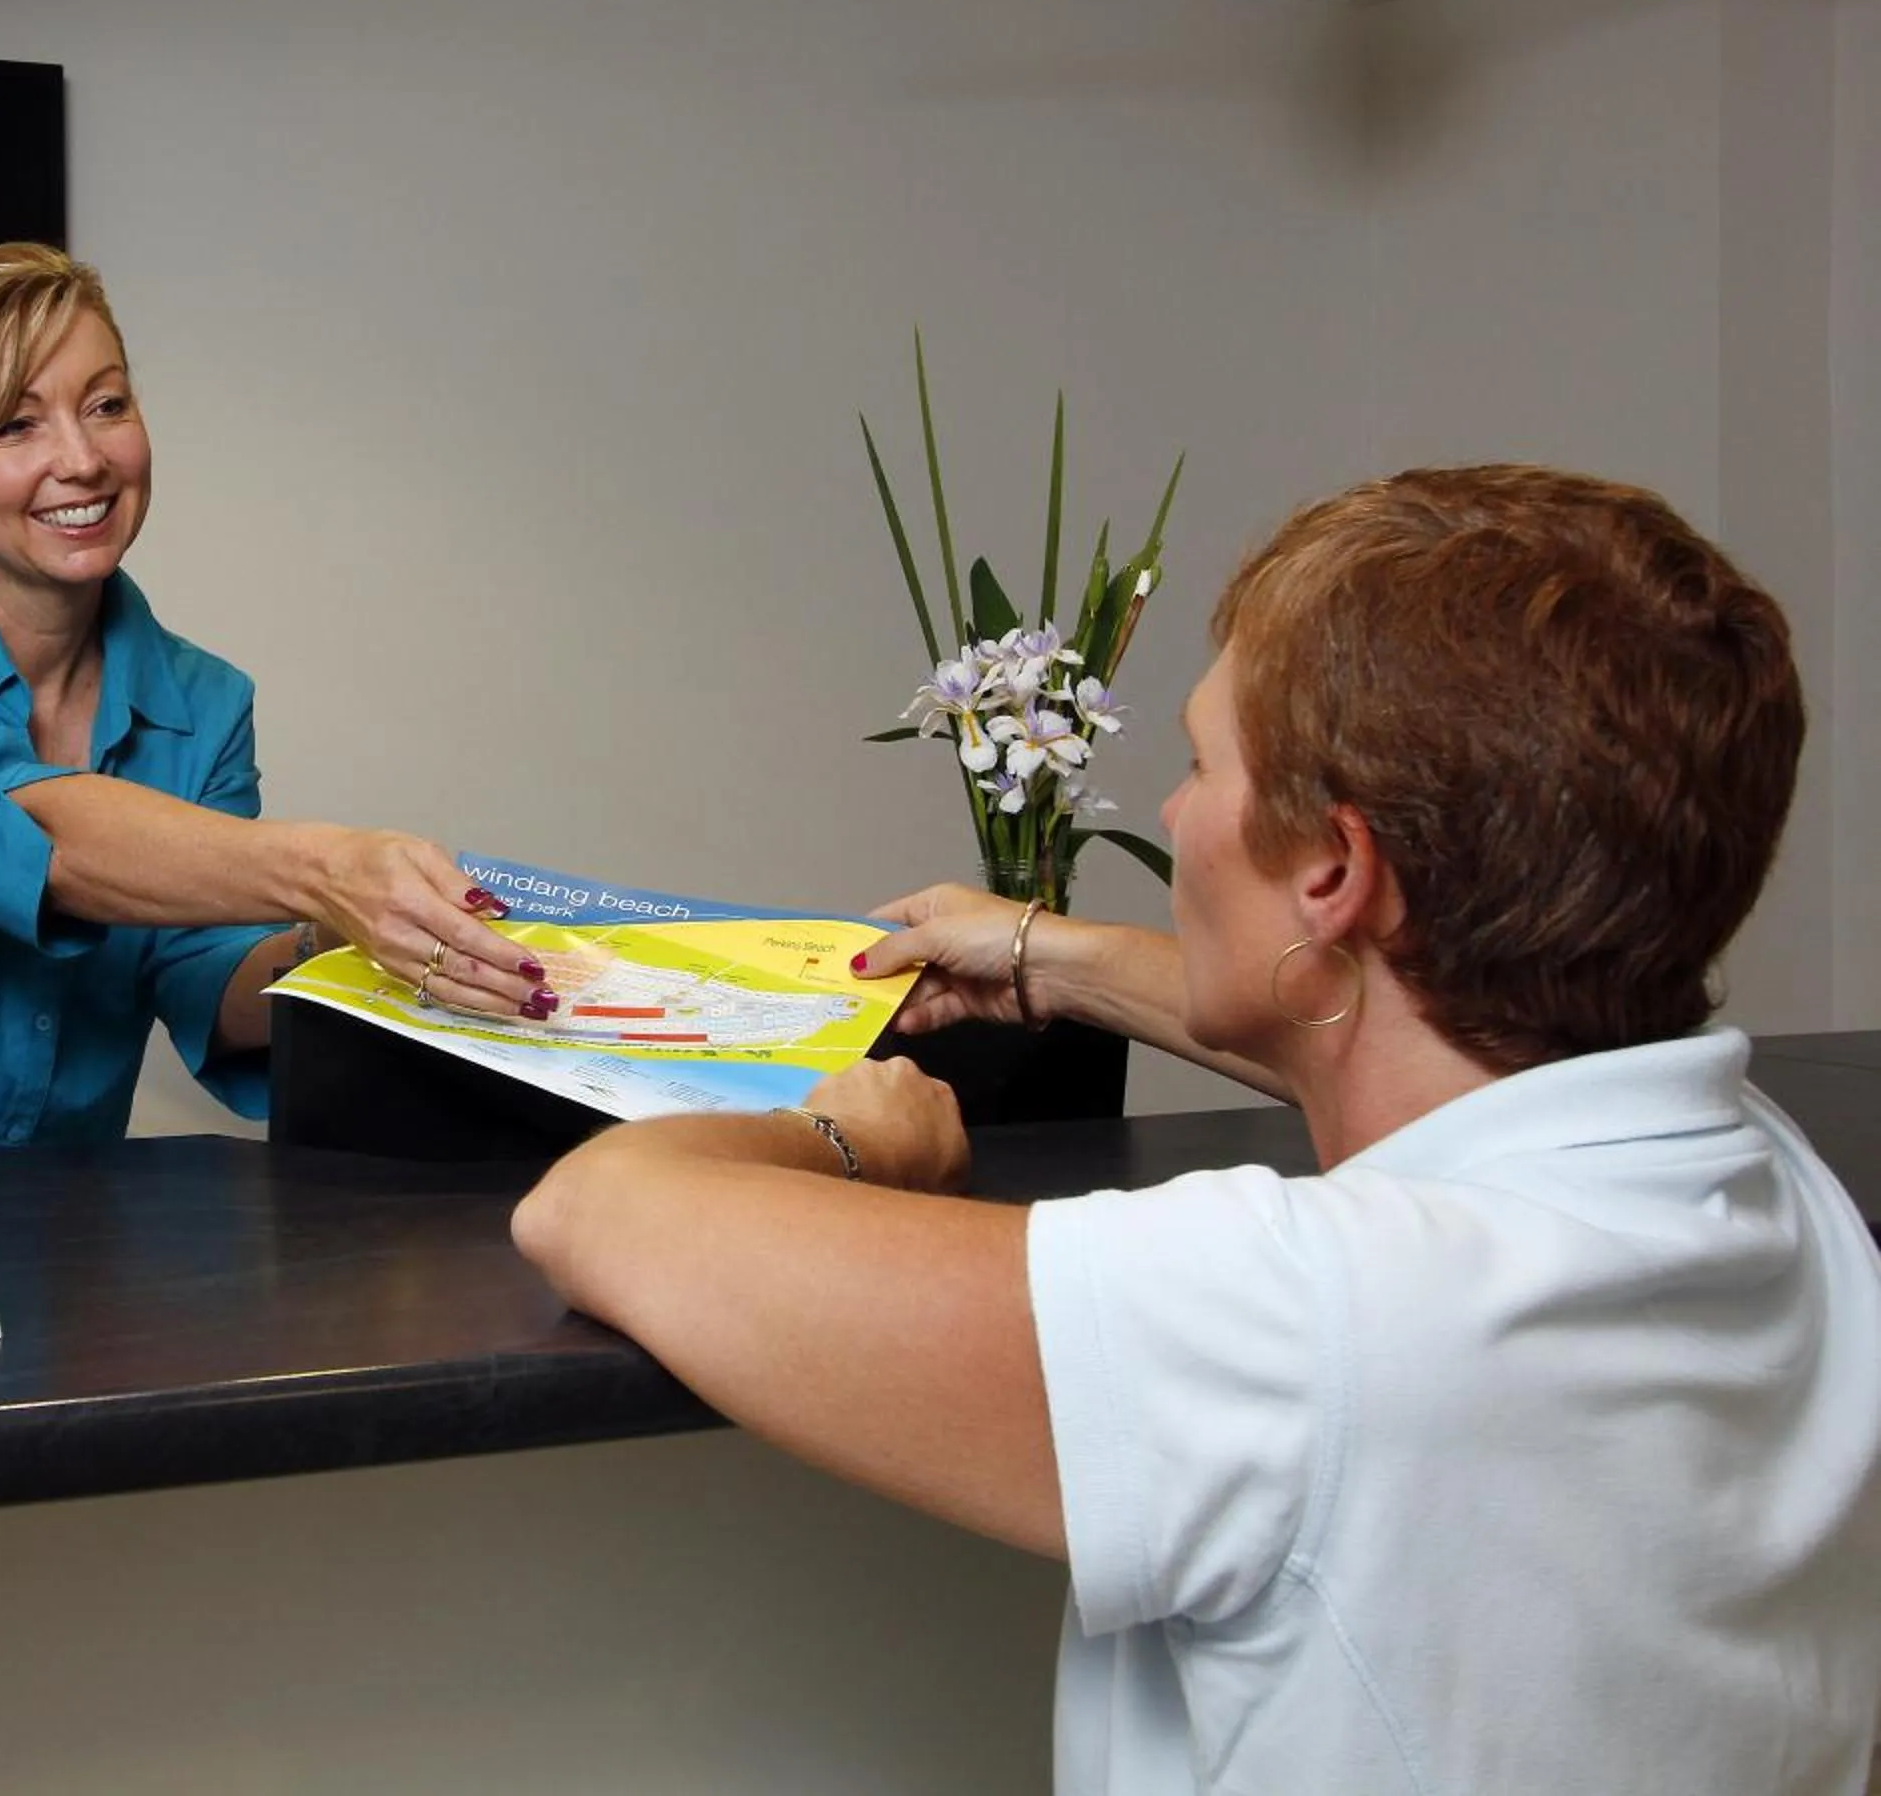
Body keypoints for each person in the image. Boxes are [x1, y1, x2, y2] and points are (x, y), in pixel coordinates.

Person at [513, 465, 1881, 1793]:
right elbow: (1394, 1041)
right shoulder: (1767, 1181)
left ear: (1335, 870)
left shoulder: (1305, 1321)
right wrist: (1044, 952)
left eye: (1198, 764)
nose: (1170, 811)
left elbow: (601, 1209)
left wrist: (866, 1145)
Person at [0, 242, 549, 1162]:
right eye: (15, 426)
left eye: (106, 405)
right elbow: (34, 838)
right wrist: (329, 867)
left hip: (57, 1243)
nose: (81, 460)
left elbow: (206, 978)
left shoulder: (205, 703)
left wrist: (348, 950)